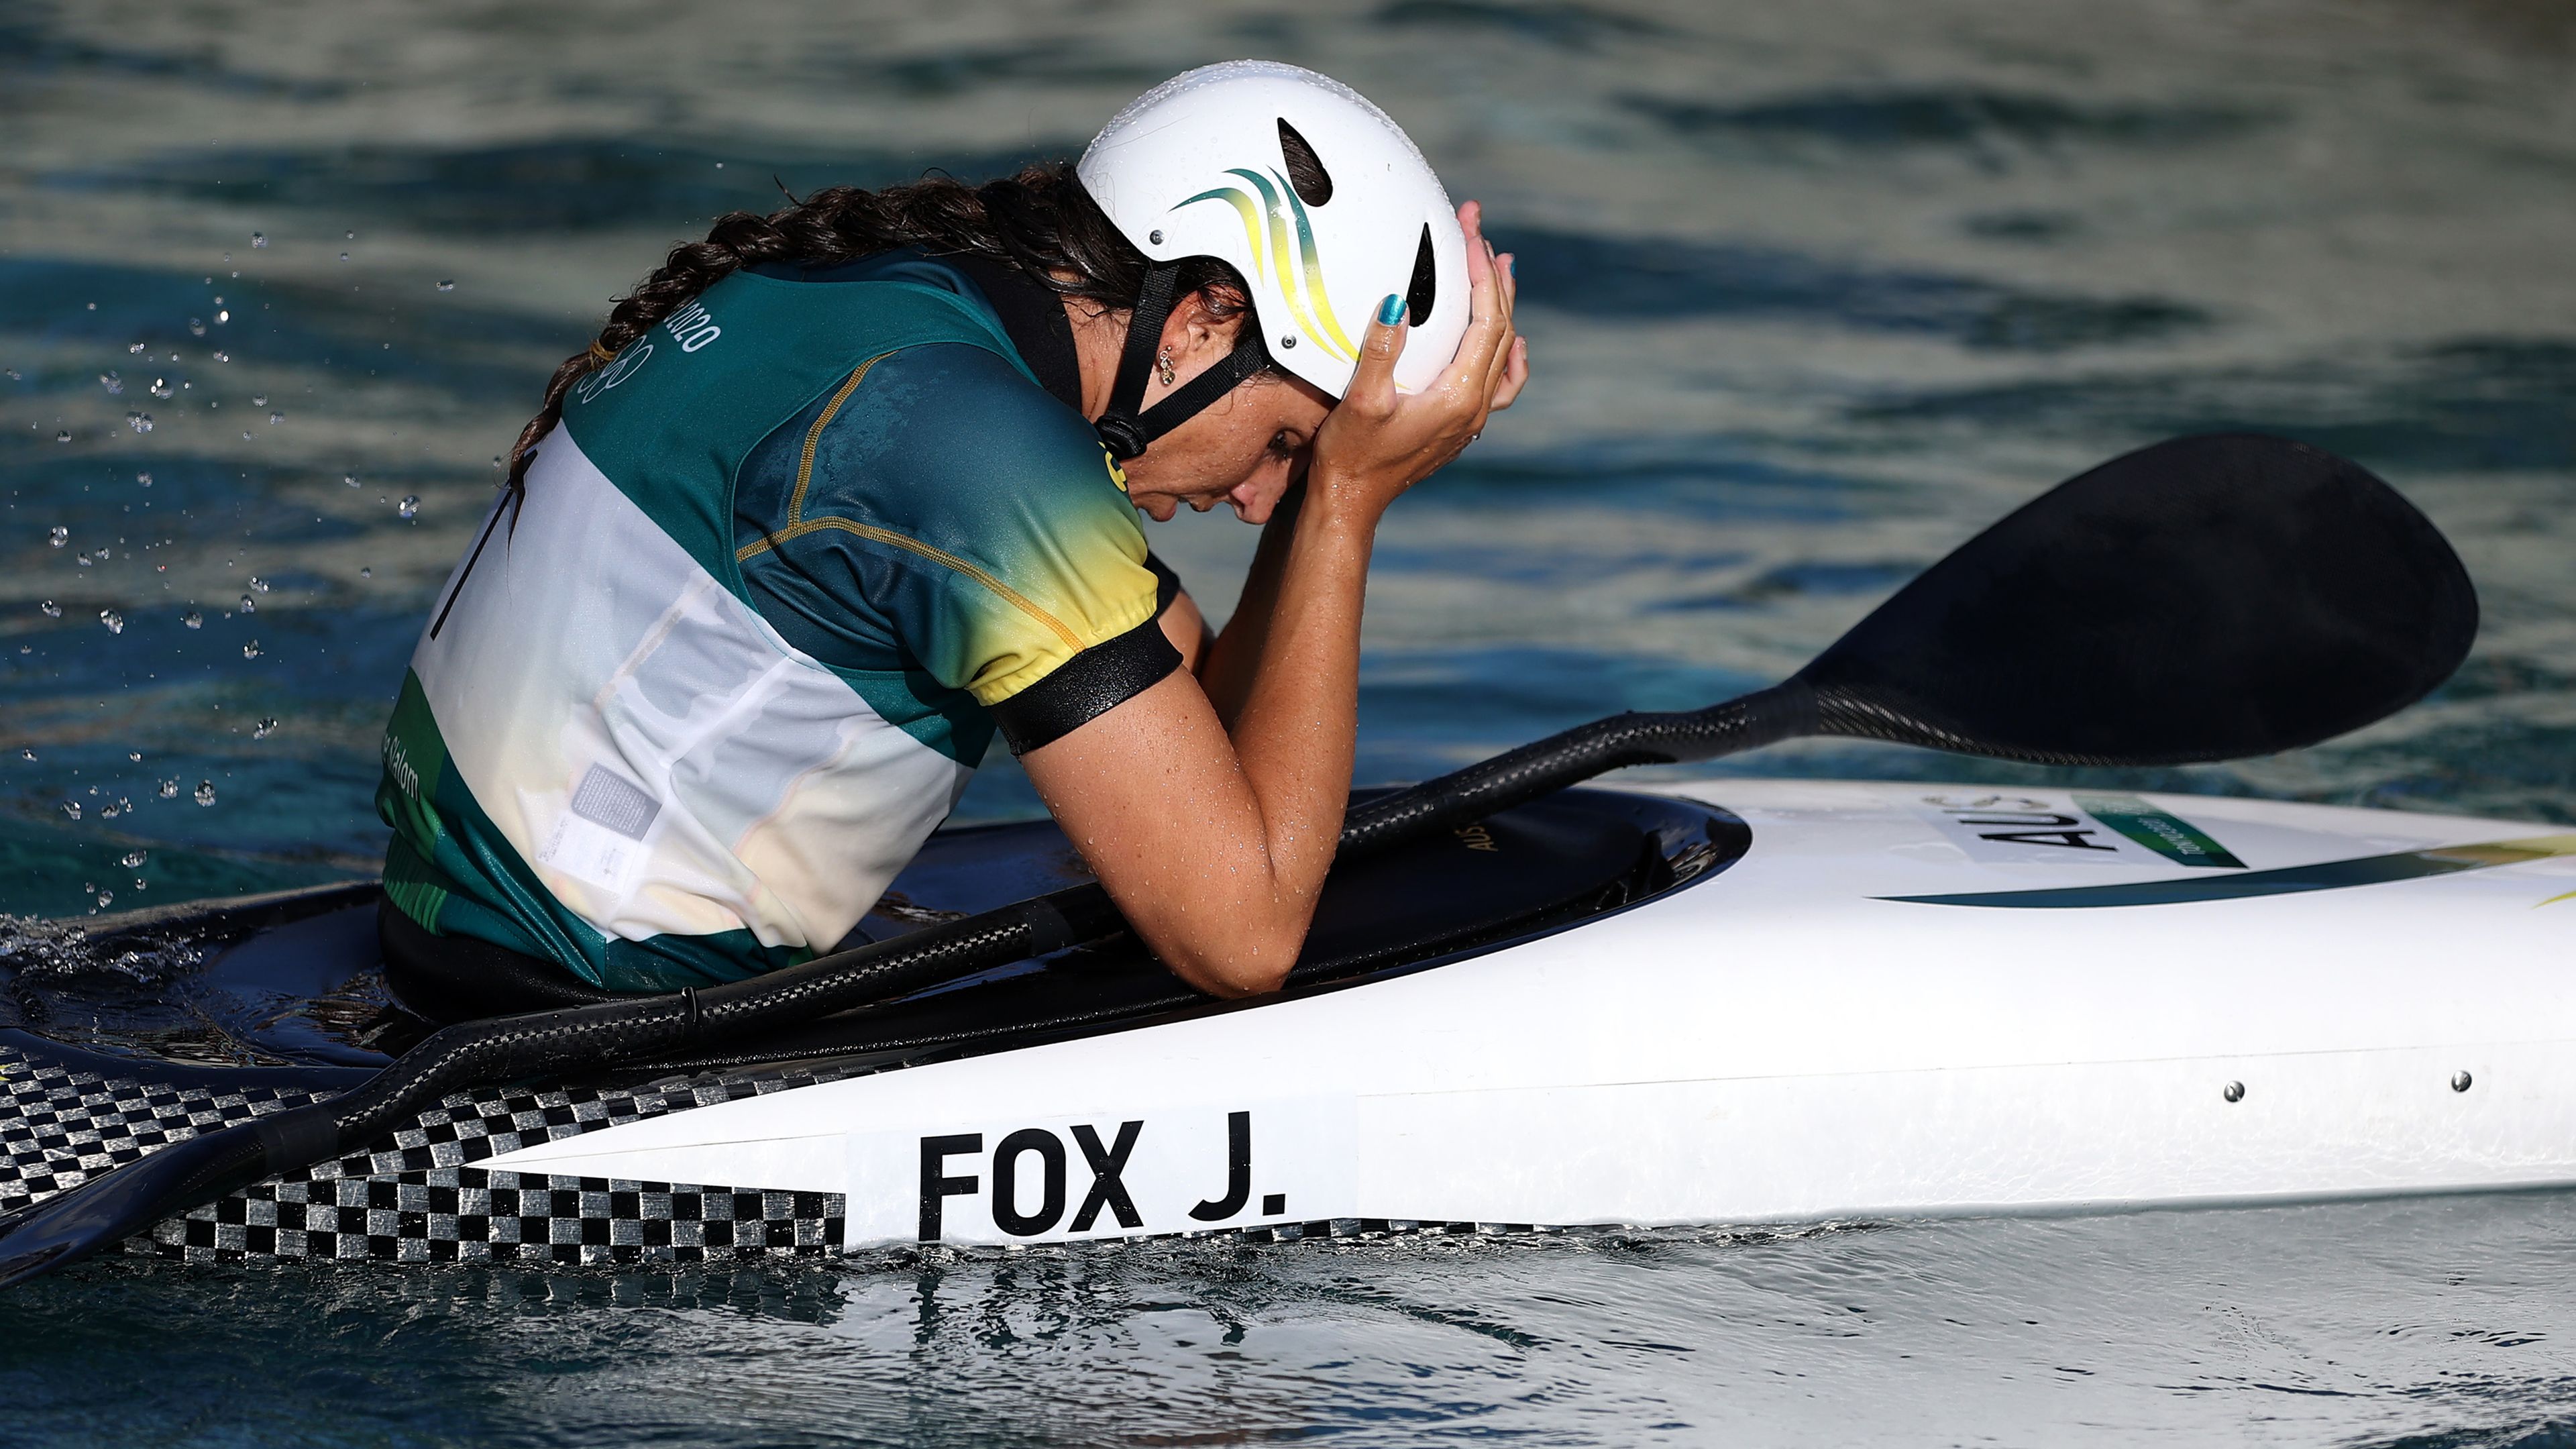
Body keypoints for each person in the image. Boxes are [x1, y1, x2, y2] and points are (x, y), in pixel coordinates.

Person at [371, 60, 1527, 1017]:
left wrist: (1338, 474)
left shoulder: (893, 313)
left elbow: (1209, 720)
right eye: (1285, 443)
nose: (1262, 500)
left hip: (450, 934)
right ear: (1200, 319)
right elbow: (1245, 932)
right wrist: (1346, 510)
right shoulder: (978, 456)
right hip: (580, 1016)